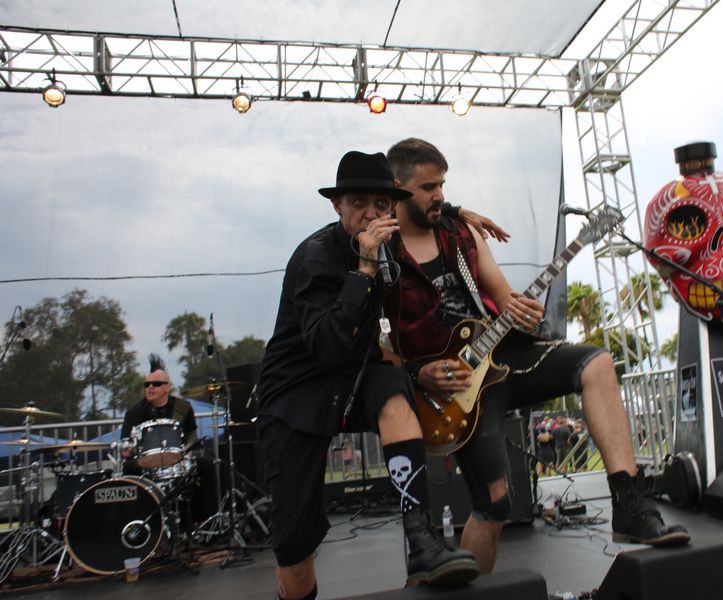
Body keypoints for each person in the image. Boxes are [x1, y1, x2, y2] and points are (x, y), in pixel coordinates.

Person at [384, 138, 690, 574]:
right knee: (495, 506)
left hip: (501, 358)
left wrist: (521, 311)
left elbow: (503, 296)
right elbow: (376, 340)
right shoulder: (382, 250)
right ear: (398, 188)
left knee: (597, 363)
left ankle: (629, 504)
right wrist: (417, 373)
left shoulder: (462, 233)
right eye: (428, 187)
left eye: (442, 185)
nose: (440, 195)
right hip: (449, 391)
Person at [256, 151, 480, 600]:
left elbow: (424, 207)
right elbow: (326, 348)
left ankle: (420, 536)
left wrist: (458, 212)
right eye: (359, 203)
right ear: (337, 205)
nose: (371, 214)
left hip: (351, 378)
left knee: (392, 387)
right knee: (295, 552)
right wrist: (362, 269)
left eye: (381, 204)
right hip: (296, 395)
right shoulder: (316, 257)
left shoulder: (389, 252)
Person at [119, 363, 217, 524]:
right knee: (129, 468)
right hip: (146, 462)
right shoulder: (135, 413)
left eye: (156, 384)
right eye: (147, 384)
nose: (150, 388)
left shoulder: (182, 407)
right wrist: (129, 449)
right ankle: (136, 519)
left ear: (167, 387)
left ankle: (209, 519)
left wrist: (185, 449)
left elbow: (191, 434)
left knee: (208, 464)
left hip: (178, 459)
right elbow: (125, 445)